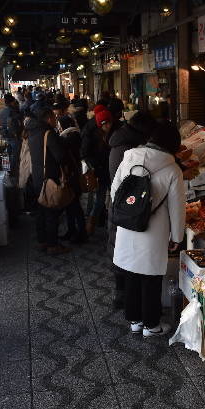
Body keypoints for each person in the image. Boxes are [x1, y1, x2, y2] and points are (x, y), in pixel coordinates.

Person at [112, 121, 185, 337]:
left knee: (131, 273)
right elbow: (177, 207)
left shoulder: (128, 158)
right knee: (151, 277)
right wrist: (177, 236)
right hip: (154, 230)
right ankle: (151, 325)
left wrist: (128, 211)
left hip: (128, 224)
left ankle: (134, 320)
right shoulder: (172, 169)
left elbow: (115, 190)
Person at [107, 112, 158, 309]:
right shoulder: (131, 149)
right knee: (124, 252)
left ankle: (122, 294)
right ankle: (124, 297)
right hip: (126, 206)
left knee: (119, 248)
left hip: (118, 204)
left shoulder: (120, 141)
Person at [28, 107, 70, 254]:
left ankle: (42, 241)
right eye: (53, 117)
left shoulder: (32, 132)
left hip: (37, 176)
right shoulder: (48, 133)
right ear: (47, 118)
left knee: (41, 209)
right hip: (49, 178)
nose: (55, 119)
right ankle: (53, 245)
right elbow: (60, 156)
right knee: (51, 210)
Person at [80, 105, 115, 235]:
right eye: (105, 124)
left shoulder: (113, 131)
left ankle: (112, 224)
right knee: (99, 199)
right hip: (99, 171)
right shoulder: (91, 133)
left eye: (109, 123)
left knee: (114, 196)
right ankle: (91, 223)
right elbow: (85, 153)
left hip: (110, 170)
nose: (108, 126)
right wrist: (95, 167)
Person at [58, 115, 86, 243]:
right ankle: (72, 230)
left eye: (59, 125)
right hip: (73, 173)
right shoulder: (71, 135)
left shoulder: (72, 137)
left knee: (74, 205)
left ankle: (81, 233)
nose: (58, 127)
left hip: (73, 175)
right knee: (70, 204)